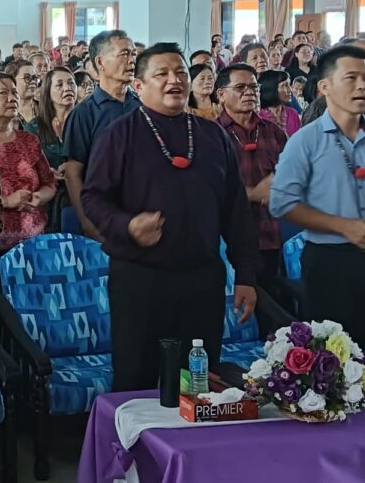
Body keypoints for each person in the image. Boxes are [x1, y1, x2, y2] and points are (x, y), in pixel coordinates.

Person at [83, 44, 260, 392]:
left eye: (180, 72)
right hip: (140, 279)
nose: (174, 80)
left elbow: (236, 210)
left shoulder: (212, 135)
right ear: (138, 85)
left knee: (197, 383)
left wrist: (246, 275)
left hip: (201, 279)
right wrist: (127, 226)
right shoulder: (119, 134)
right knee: (137, 379)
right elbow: (93, 198)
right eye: (161, 74)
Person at [271, 44, 365, 369]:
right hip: (329, 264)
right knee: (331, 365)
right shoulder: (305, 140)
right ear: (325, 87)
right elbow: (282, 203)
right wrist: (342, 225)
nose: (362, 86)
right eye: (351, 78)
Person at [214, 63, 287, 291]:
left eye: (254, 87)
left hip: (271, 235)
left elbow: (289, 176)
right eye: (240, 87)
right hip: (228, 239)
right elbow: (206, 190)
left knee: (274, 301)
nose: (249, 92)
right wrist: (252, 194)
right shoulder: (211, 134)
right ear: (221, 94)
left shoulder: (273, 131)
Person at [63, 30, 140, 242]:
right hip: (105, 213)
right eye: (124, 54)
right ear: (100, 62)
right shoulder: (84, 113)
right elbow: (72, 172)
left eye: (133, 54)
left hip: (141, 211)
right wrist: (86, 221)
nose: (131, 60)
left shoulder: (143, 107)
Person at [0, 72, 56, 253]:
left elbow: (49, 183)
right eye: (3, 93)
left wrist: (38, 197)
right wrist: (5, 201)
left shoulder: (29, 140)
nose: (12, 98)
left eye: (14, 92)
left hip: (34, 242)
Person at [25, 67, 76, 232]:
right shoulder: (35, 127)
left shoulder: (86, 121)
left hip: (80, 195)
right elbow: (25, 166)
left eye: (71, 83)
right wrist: (46, 173)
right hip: (46, 200)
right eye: (59, 85)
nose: (67, 88)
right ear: (47, 92)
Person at [258, 70, 302, 136]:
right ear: (271, 88)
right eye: (284, 85)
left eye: (289, 85)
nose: (290, 90)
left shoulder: (293, 114)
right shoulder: (258, 116)